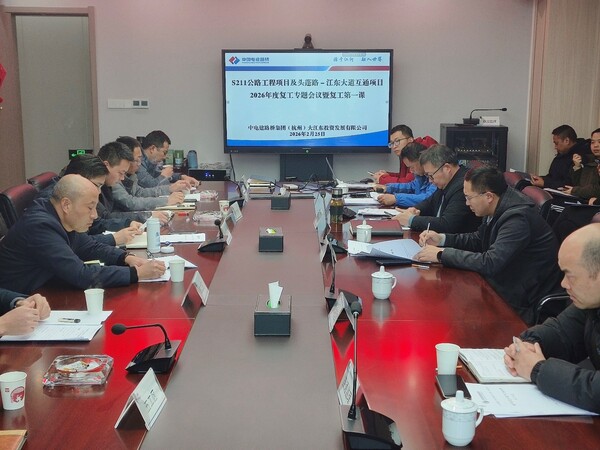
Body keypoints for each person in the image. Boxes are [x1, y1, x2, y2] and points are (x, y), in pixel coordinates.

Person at [416, 167, 563, 324]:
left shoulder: (517, 218)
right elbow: (479, 239)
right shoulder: (497, 205)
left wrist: (441, 254)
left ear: (488, 196)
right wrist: (442, 239)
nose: (466, 203)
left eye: (469, 198)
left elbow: (491, 262)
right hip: (504, 284)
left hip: (522, 299)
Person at [0, 175, 165, 294]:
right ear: (66, 204)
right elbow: (81, 275)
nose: (94, 215)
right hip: (21, 303)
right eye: (89, 207)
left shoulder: (57, 214)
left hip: (46, 289)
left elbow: (89, 246)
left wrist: (125, 258)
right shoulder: (40, 227)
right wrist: (136, 273)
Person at [503, 223, 600, 413]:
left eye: (570, 276)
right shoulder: (591, 302)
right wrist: (527, 345)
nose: (563, 284)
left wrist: (538, 369)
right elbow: (561, 332)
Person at [39, 154, 141, 246]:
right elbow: (75, 243)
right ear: (79, 180)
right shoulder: (53, 200)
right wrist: (113, 239)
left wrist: (127, 223)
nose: (98, 192)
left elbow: (96, 223)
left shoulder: (79, 195)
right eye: (97, 185)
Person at [392, 144, 480, 233]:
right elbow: (430, 202)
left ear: (447, 168)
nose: (430, 181)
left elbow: (447, 224)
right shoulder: (446, 181)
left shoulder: (463, 186)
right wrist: (413, 210)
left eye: (431, 175)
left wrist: (411, 220)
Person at [112, 136, 186, 212]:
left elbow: (140, 192)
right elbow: (131, 203)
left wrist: (169, 189)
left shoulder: (131, 175)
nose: (139, 164)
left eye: (140, 159)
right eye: (136, 160)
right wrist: (166, 201)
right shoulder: (114, 178)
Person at [375, 142, 437, 207]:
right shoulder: (421, 176)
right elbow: (411, 187)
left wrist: (396, 199)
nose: (411, 171)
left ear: (421, 161)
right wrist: (388, 188)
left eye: (412, 167)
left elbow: (428, 199)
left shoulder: (435, 177)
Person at [371, 125, 438, 185]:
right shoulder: (404, 152)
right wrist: (388, 175)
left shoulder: (419, 152)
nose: (394, 146)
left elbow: (409, 182)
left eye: (397, 141)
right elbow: (403, 177)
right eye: (392, 143)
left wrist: (383, 179)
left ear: (410, 140)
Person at [530, 124, 591, 189]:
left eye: (556, 143)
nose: (555, 147)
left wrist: (545, 183)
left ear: (567, 141)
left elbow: (570, 184)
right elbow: (552, 177)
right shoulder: (561, 154)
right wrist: (540, 179)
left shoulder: (580, 157)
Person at [562, 128, 600, 200]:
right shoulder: (588, 160)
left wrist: (575, 191)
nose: (595, 145)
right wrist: (577, 167)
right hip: (583, 200)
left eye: (599, 142)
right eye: (592, 142)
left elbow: (596, 189)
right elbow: (579, 184)